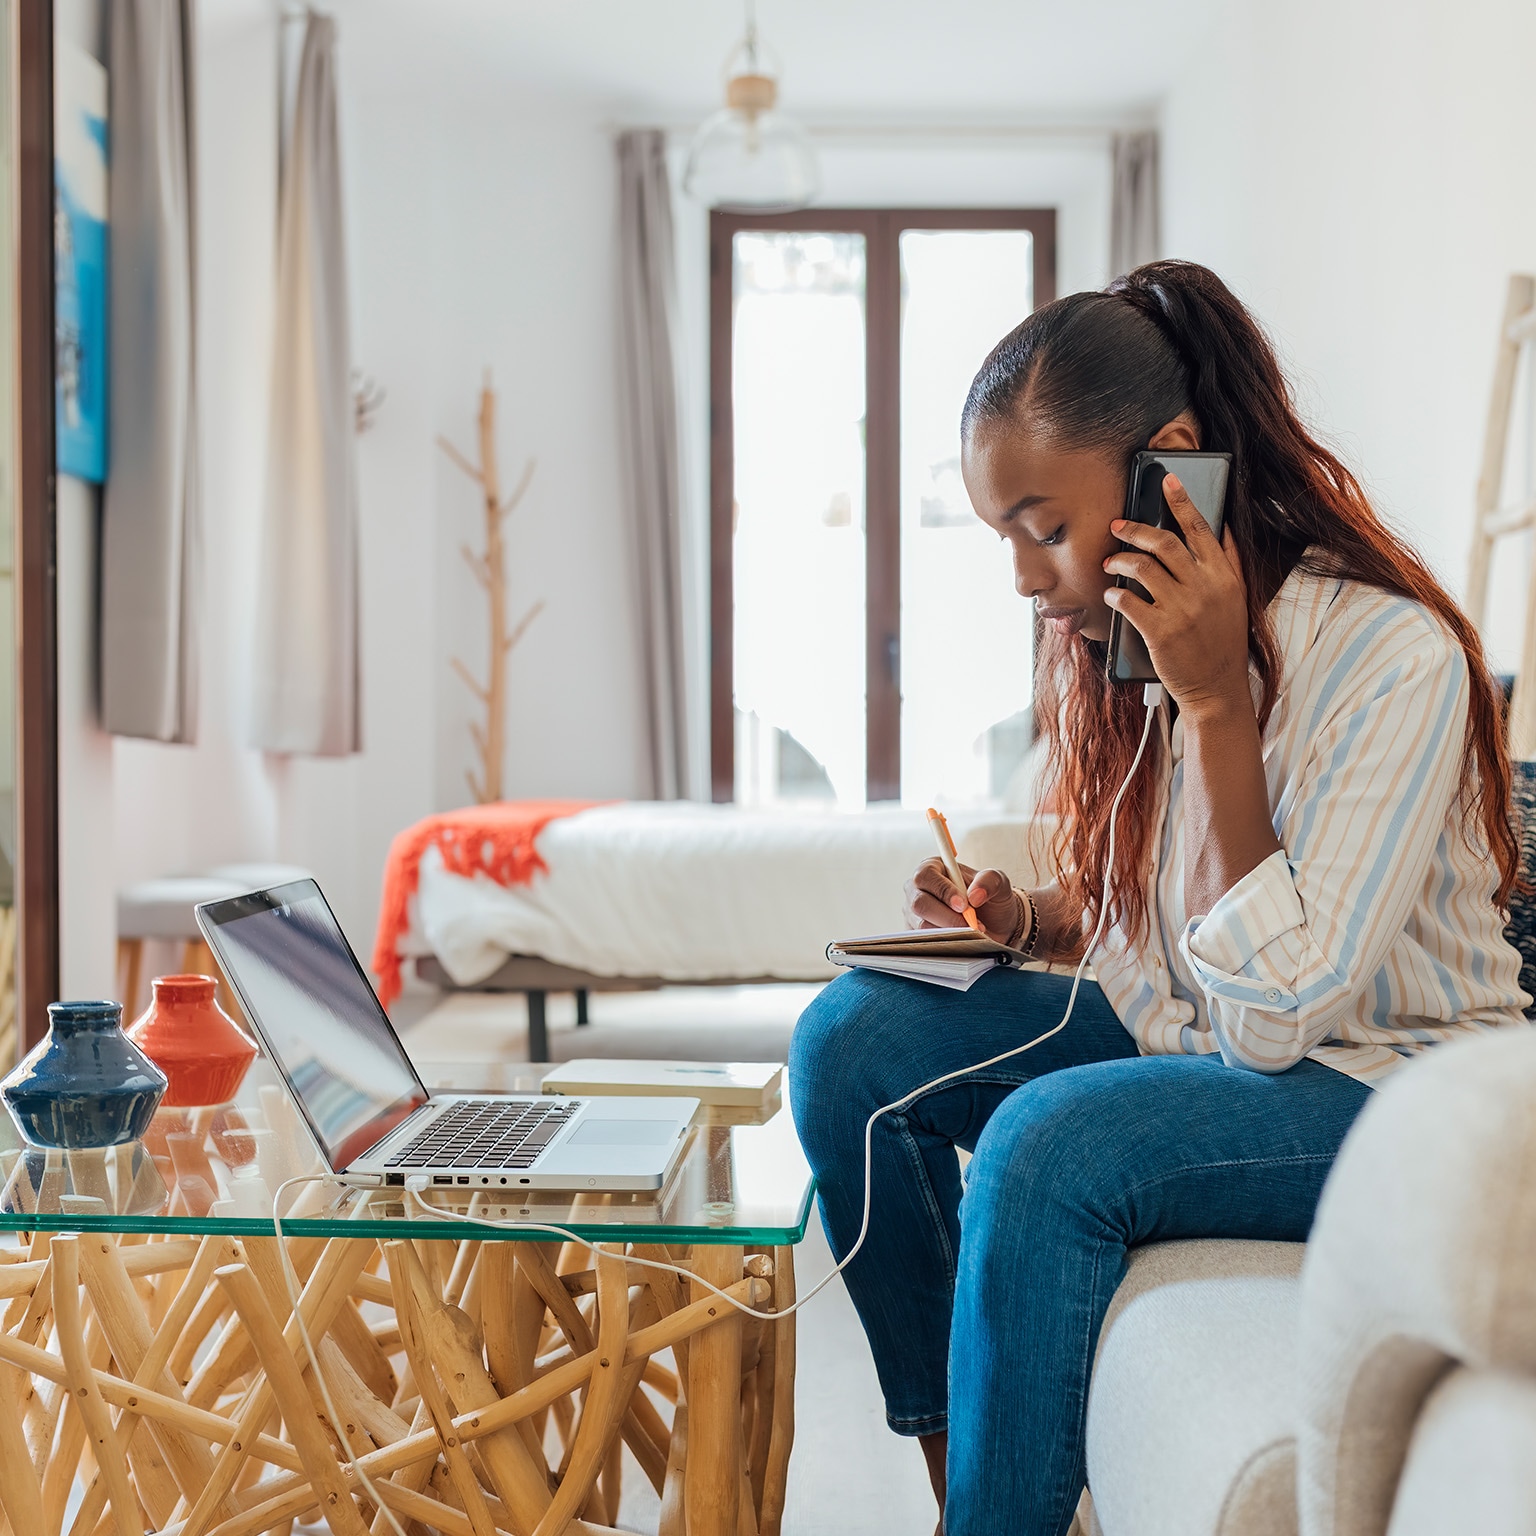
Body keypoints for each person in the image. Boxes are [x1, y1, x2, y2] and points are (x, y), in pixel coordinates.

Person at [789, 260, 1529, 1536]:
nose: (1027, 580)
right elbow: (1163, 916)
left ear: (1167, 471)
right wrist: (1035, 917)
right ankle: (973, 1474)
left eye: (1043, 525)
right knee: (852, 1040)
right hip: (1193, 1033)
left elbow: (1277, 1020)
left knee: (1048, 1143)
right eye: (1003, 536)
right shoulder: (1123, 649)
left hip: (1375, 1085)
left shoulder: (1387, 658)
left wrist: (1219, 710)